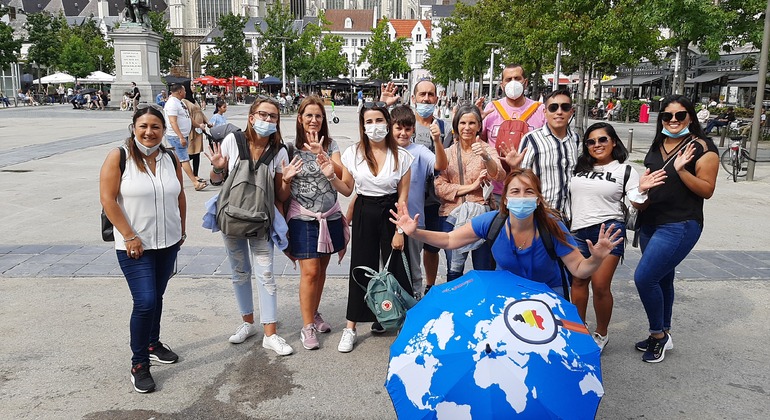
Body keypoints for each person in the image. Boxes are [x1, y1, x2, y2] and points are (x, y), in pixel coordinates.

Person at [390, 168, 623, 296]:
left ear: (538, 199)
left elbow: (580, 269)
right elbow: (450, 240)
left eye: (529, 191)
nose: (522, 197)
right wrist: (415, 232)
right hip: (507, 294)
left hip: (548, 295)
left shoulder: (552, 225)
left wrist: (596, 259)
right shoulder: (492, 222)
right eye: (515, 192)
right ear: (506, 199)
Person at [99, 104, 186, 393]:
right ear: (134, 127)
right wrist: (129, 236)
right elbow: (108, 199)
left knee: (157, 296)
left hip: (168, 243)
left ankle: (152, 343)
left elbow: (180, 195)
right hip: (135, 246)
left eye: (155, 127)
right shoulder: (119, 156)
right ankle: (139, 364)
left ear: (163, 130)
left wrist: (181, 229)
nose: (149, 132)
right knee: (145, 301)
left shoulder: (169, 157)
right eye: (143, 126)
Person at [317, 102, 413, 353]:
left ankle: (402, 325)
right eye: (369, 122)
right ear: (362, 125)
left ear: (388, 123)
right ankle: (351, 327)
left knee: (396, 268)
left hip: (392, 212)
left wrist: (400, 231)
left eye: (379, 120)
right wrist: (331, 175)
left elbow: (403, 198)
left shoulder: (402, 156)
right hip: (364, 210)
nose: (374, 126)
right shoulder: (353, 153)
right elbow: (347, 189)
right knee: (361, 267)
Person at [205, 96, 295, 356]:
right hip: (232, 217)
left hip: (261, 220)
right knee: (239, 271)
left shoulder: (279, 151)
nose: (268, 120)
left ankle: (270, 334)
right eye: (263, 115)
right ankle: (247, 323)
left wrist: (287, 180)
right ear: (251, 117)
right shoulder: (233, 141)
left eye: (273, 116)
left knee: (266, 275)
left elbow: (280, 196)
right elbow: (216, 180)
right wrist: (218, 168)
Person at [633, 95, 718, 363]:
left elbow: (707, 190)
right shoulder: (658, 144)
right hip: (650, 222)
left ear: (690, 117)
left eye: (680, 115)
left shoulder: (702, 148)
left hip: (679, 224)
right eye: (667, 116)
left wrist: (682, 171)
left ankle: (658, 335)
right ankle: (664, 331)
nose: (673, 120)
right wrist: (641, 188)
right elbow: (651, 180)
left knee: (644, 278)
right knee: (662, 279)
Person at [569, 122, 666, 353]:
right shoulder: (577, 167)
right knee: (579, 282)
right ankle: (578, 331)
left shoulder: (625, 170)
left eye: (603, 139)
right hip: (577, 230)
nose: (597, 144)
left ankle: (601, 333)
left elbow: (637, 203)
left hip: (609, 230)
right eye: (591, 141)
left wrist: (642, 190)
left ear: (613, 142)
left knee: (600, 285)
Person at [279, 96, 348, 350]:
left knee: (321, 270)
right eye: (309, 115)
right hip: (303, 218)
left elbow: (342, 176)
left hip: (330, 216)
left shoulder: (331, 145)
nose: (314, 120)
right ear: (300, 118)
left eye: (318, 116)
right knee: (309, 272)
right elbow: (282, 195)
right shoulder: (289, 148)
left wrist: (324, 156)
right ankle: (307, 325)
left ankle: (314, 312)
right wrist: (286, 180)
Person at [381, 79, 453, 295]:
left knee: (413, 266)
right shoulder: (383, 149)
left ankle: (415, 298)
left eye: (407, 129)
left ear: (413, 130)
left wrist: (437, 141)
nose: (403, 133)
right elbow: (369, 123)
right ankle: (388, 301)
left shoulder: (419, 151)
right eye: (398, 128)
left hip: (413, 218)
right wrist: (382, 105)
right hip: (385, 217)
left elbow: (440, 165)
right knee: (386, 263)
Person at [435, 104, 505, 281]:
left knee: (484, 269)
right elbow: (440, 187)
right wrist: (471, 187)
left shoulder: (487, 149)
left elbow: (499, 175)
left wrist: (486, 157)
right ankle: (455, 298)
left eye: (472, 123)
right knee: (454, 270)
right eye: (463, 123)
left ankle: (482, 298)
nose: (467, 128)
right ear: (456, 125)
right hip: (452, 214)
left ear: (479, 126)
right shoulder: (448, 152)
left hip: (481, 216)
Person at [503, 89, 579, 222]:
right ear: (545, 112)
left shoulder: (575, 139)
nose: (559, 112)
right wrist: (514, 168)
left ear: (571, 112)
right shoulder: (532, 139)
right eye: (553, 108)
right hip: (541, 214)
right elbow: (521, 178)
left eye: (565, 107)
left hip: (569, 215)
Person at [480, 63, 547, 205]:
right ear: (502, 85)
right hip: (496, 191)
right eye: (508, 79)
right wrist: (476, 121)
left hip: (528, 191)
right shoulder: (491, 108)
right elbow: (480, 143)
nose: (513, 83)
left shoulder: (540, 110)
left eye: (517, 78)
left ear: (525, 82)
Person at [164, 84, 207, 191]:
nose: (186, 92)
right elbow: (173, 122)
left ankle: (172, 180)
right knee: (184, 159)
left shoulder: (180, 103)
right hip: (176, 137)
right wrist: (180, 137)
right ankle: (195, 182)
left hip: (183, 135)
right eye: (184, 90)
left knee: (178, 160)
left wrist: (199, 125)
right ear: (180, 92)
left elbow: (188, 117)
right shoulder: (172, 104)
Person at [181, 97, 211, 180]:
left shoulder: (194, 100)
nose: (194, 87)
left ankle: (196, 174)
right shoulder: (184, 101)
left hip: (199, 131)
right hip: (191, 130)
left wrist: (207, 122)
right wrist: (197, 125)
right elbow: (187, 116)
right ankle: (178, 165)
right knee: (190, 153)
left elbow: (200, 113)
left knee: (197, 152)